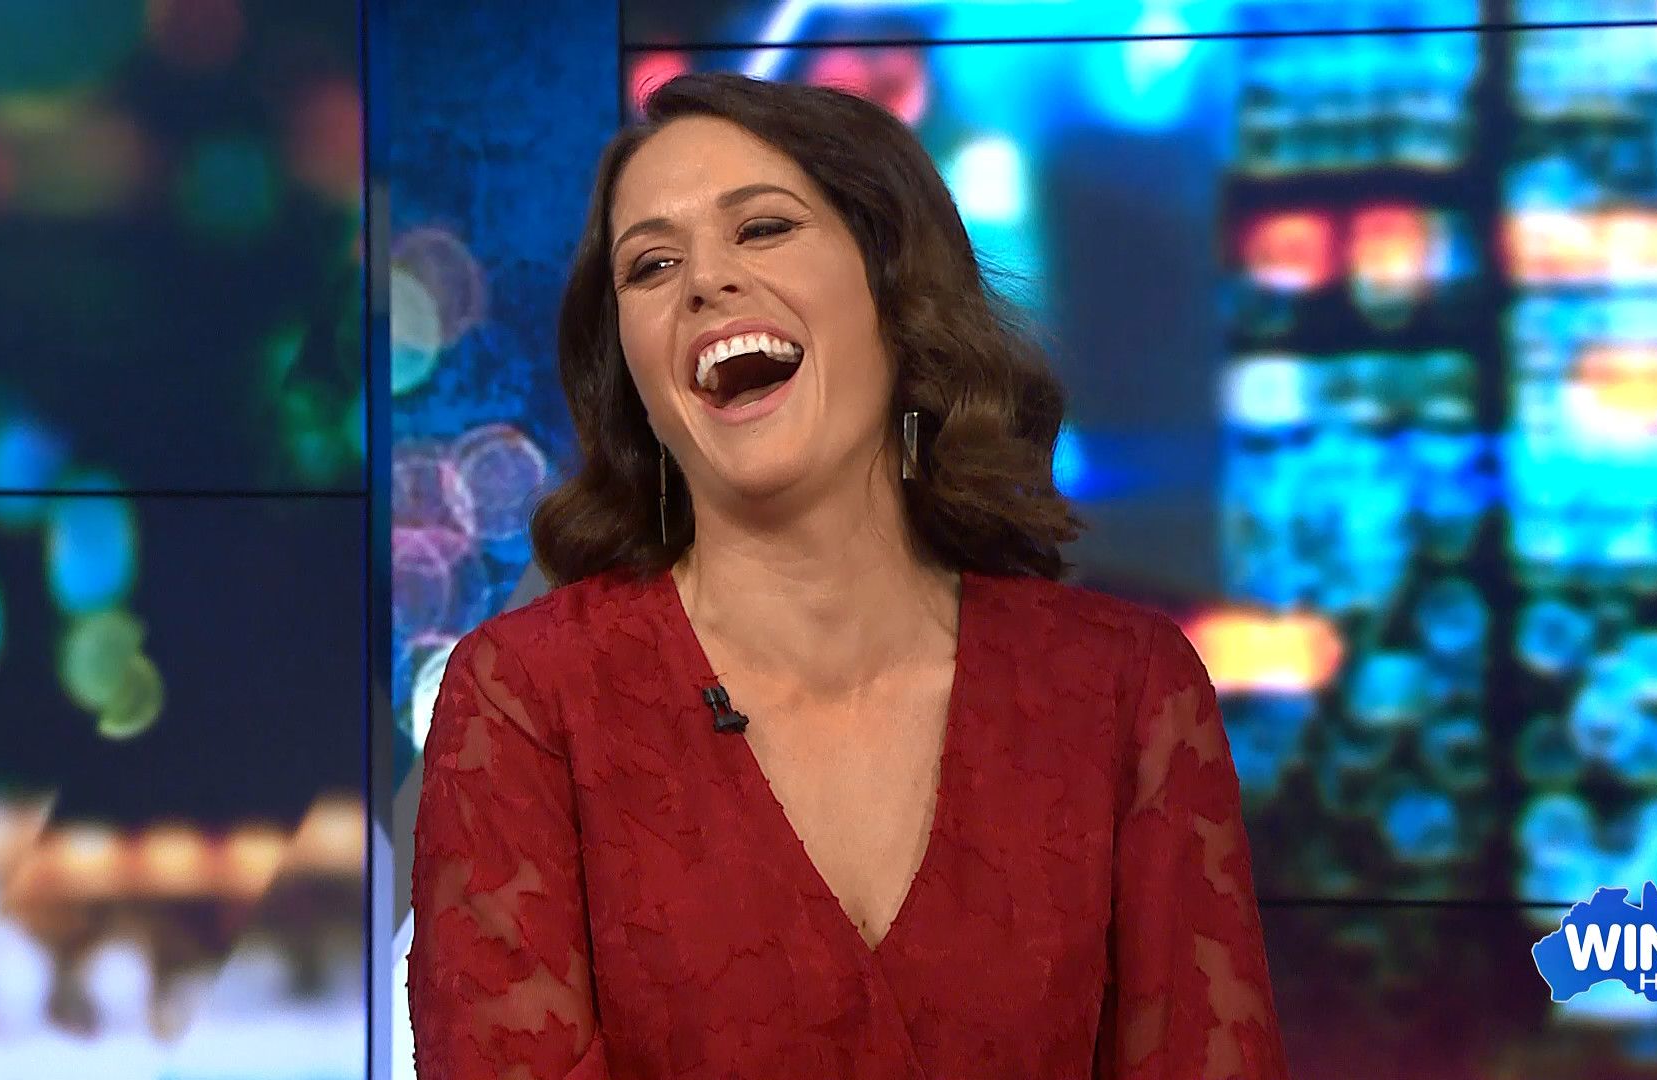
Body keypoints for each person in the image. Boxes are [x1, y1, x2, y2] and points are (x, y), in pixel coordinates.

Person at [407, 71, 1291, 1079]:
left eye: (764, 228)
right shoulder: (528, 699)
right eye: (651, 265)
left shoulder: (1125, 692)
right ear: (633, 375)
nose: (704, 282)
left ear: (895, 289)